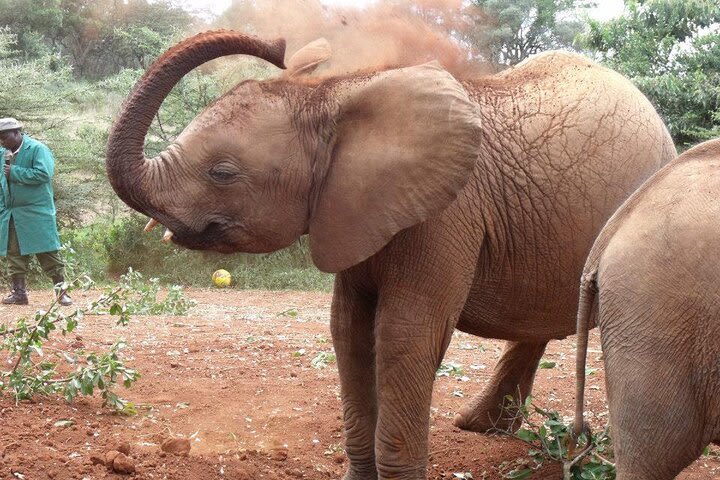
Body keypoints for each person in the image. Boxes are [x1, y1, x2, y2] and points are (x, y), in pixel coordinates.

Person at [0, 117, 71, 306]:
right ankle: (19, 294)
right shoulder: (2, 153)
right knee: (14, 253)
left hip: (37, 211)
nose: (2, 141)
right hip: (12, 212)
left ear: (17, 133)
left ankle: (61, 292)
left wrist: (14, 172)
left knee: (47, 251)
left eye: (4, 137)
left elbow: (44, 174)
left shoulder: (38, 149)